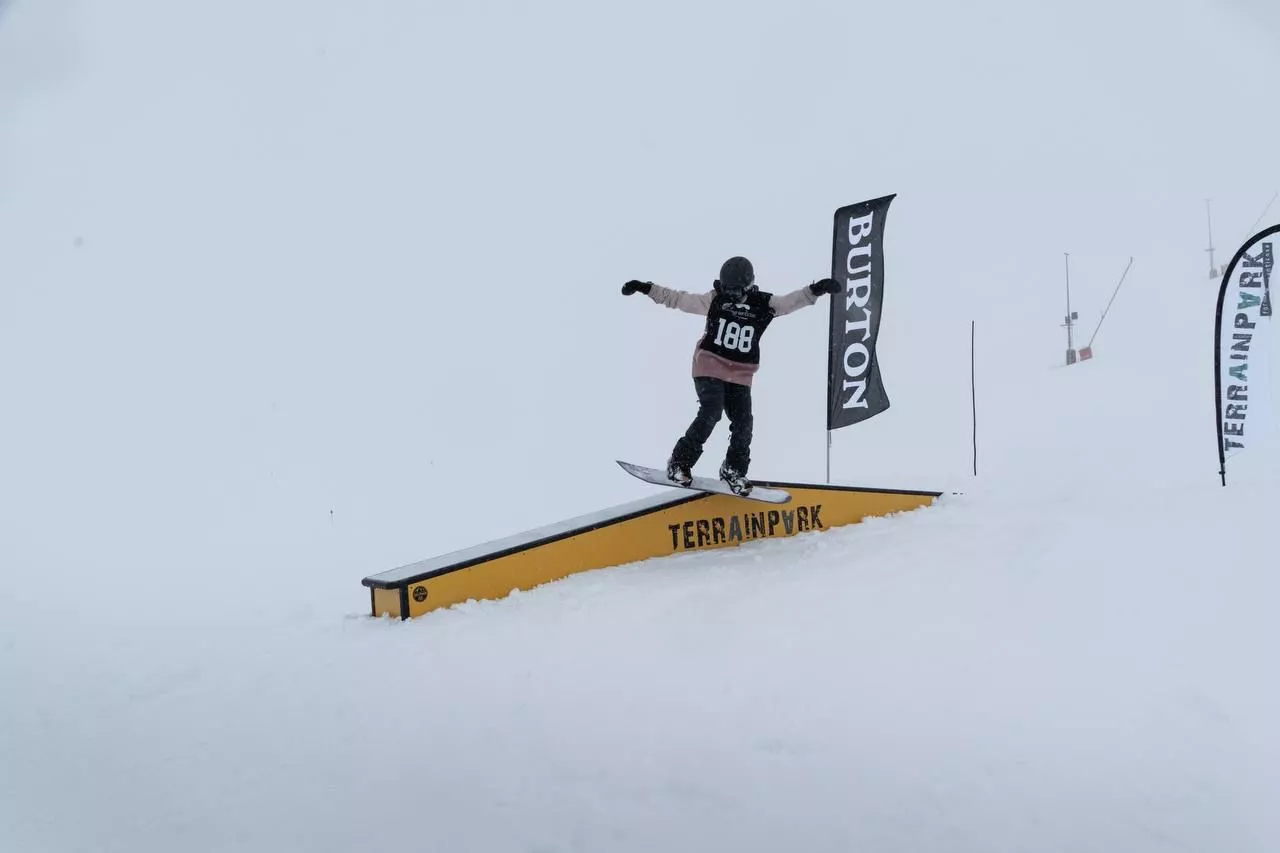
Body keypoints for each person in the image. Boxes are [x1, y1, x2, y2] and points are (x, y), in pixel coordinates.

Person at [622, 256, 839, 495]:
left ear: (749, 286)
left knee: (744, 421)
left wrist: (817, 289)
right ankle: (679, 463)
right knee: (711, 412)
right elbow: (678, 299)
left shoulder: (764, 304)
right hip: (709, 366)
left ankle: (733, 470)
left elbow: (790, 302)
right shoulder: (715, 300)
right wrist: (645, 288)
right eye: (727, 290)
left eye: (736, 291)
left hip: (741, 374)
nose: (731, 295)